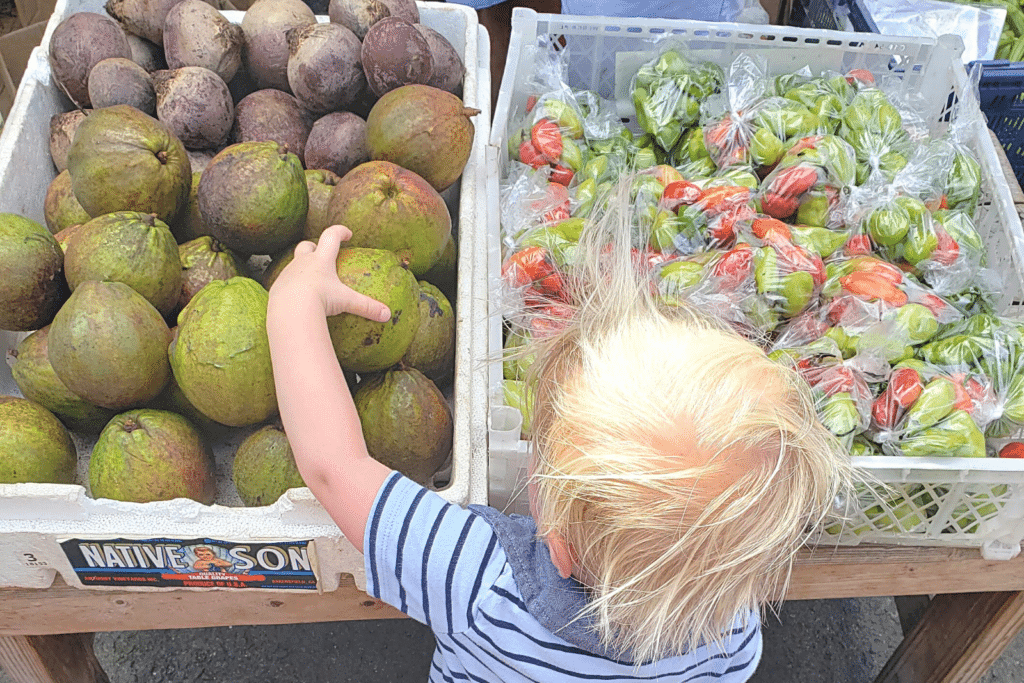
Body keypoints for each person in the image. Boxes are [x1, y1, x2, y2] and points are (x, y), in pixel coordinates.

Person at [266, 210, 855, 680]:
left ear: (561, 548)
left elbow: (333, 466)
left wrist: (292, 305)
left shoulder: (476, 580)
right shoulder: (729, 623)